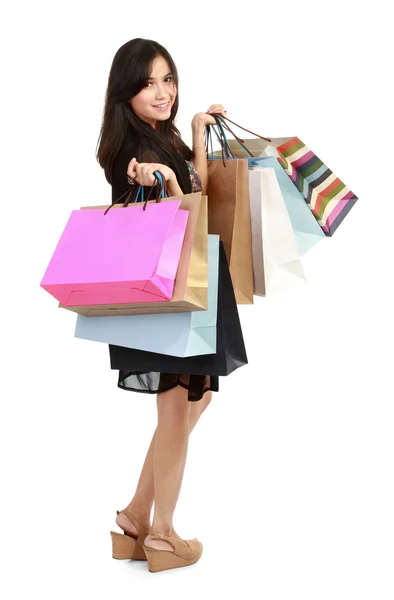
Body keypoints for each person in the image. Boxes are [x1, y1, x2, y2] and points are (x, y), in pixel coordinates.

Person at [97, 38, 227, 572]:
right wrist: (151, 176)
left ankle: (135, 515)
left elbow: (196, 192)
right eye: (148, 82)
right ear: (126, 91)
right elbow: (171, 208)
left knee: (194, 401)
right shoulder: (133, 149)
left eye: (168, 79)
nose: (162, 91)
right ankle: (164, 534)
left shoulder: (164, 137)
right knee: (176, 405)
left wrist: (195, 135)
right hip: (169, 292)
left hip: (190, 286)